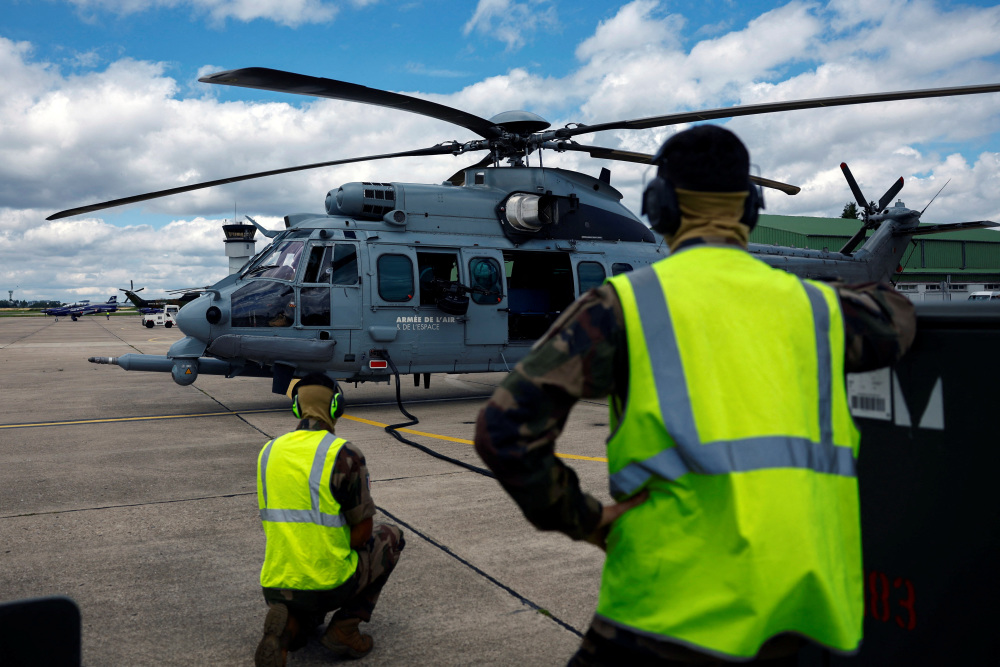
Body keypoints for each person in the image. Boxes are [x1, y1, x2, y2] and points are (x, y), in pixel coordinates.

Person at [474, 125, 916, 666]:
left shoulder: (622, 308)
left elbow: (503, 429)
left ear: (658, 208)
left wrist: (586, 519)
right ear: (750, 210)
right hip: (803, 608)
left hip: (671, 612)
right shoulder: (822, 311)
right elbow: (897, 317)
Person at [254, 372, 405, 667]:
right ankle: (344, 629)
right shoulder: (344, 454)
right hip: (329, 583)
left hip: (276, 583)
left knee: (304, 618)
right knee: (391, 536)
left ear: (296, 408)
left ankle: (288, 630)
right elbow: (362, 534)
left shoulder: (268, 451)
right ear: (337, 406)